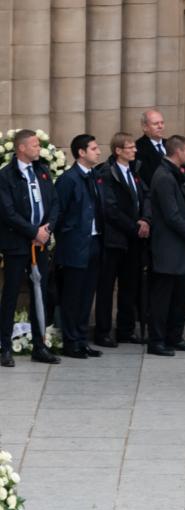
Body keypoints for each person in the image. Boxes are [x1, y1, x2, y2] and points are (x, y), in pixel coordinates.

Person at [0, 129, 61, 367]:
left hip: (40, 243)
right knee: (11, 294)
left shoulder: (42, 171)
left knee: (40, 293)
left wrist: (46, 230)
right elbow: (7, 212)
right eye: (34, 145)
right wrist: (32, 231)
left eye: (38, 145)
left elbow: (54, 203)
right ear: (21, 148)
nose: (38, 148)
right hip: (17, 243)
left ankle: (40, 345)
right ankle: (4, 346)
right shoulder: (6, 176)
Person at [146, 135, 185, 356]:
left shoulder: (171, 174)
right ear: (178, 152)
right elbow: (170, 216)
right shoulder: (164, 176)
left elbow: (173, 210)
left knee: (178, 297)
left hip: (177, 247)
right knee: (162, 298)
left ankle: (175, 336)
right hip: (167, 248)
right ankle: (157, 341)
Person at [96, 133, 150, 348]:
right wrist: (134, 227)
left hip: (134, 240)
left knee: (130, 286)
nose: (134, 150)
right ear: (118, 150)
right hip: (115, 240)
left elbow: (146, 196)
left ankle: (125, 330)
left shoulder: (135, 172)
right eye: (129, 147)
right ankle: (103, 332)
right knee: (107, 287)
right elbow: (110, 208)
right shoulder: (107, 173)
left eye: (134, 147)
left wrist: (145, 219)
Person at [54, 134, 105, 359]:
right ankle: (71, 341)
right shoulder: (69, 179)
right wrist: (69, 236)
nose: (98, 152)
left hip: (94, 241)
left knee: (87, 294)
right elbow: (59, 213)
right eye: (93, 148)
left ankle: (82, 339)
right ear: (81, 153)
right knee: (73, 295)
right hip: (75, 244)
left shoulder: (95, 176)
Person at [134, 109, 169, 185]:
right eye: (156, 124)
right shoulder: (137, 148)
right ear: (145, 127)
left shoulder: (170, 144)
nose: (160, 126)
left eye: (162, 123)